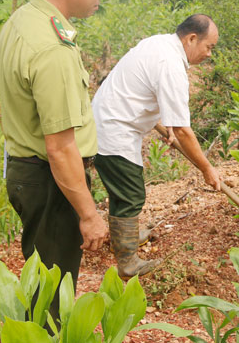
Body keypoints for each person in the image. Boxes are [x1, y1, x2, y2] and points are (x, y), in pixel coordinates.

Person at [0, 0, 120, 310]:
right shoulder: (53, 47)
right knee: (51, 292)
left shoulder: (22, 20)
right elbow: (61, 146)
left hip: (27, 172)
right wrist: (89, 215)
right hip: (52, 183)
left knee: (41, 277)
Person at [92, 14, 222, 277]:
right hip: (114, 129)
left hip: (110, 118)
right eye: (209, 47)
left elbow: (144, 90)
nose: (210, 54)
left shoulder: (160, 43)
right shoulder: (171, 64)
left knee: (126, 192)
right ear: (192, 39)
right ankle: (128, 263)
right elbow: (184, 131)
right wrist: (207, 169)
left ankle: (126, 235)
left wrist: (166, 127)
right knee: (130, 194)